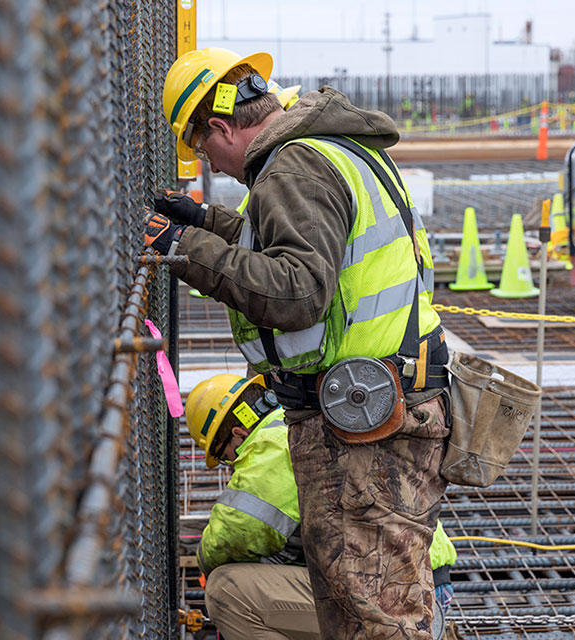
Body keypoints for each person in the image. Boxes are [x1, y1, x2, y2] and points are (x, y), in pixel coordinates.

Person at [146, 47, 451, 638]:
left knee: (376, 616)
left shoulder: (294, 165)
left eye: (203, 150)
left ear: (219, 128)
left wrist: (182, 248)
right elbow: (300, 244)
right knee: (363, 605)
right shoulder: (333, 149)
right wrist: (205, 222)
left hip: (364, 431)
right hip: (382, 409)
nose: (211, 162)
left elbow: (295, 291)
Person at [186, 374, 456, 640]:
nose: (232, 465)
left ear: (238, 433)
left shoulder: (272, 447)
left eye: (225, 456)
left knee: (227, 591)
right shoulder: (306, 417)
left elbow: (236, 533)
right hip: (423, 584)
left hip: (397, 602)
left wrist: (205, 565)